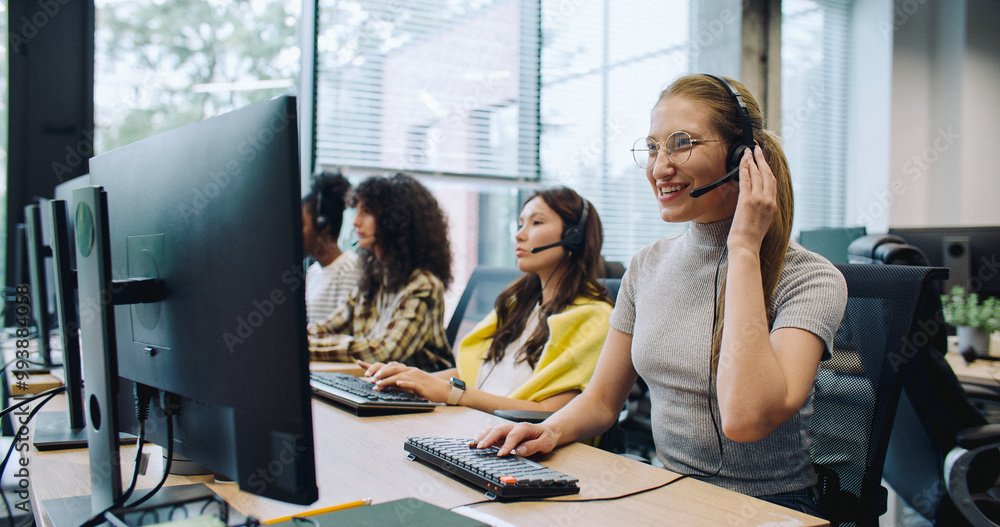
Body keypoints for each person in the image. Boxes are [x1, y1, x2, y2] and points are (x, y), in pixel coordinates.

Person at [475, 74, 848, 518]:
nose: (659, 168)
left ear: (740, 157)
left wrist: (745, 249)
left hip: (767, 508)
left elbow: (745, 419)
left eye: (682, 143)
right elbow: (600, 402)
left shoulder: (809, 278)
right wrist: (551, 431)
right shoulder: (647, 266)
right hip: (666, 493)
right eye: (653, 147)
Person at [360, 187, 614, 414]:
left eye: (536, 223)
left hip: (519, 448)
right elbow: (474, 375)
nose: (519, 235)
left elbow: (547, 413)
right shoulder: (518, 305)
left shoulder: (593, 318)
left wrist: (453, 393)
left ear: (574, 237)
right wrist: (409, 380)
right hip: (474, 426)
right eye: (520, 224)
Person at [308, 173, 453, 371]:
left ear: (396, 221)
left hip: (419, 398)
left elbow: (382, 352)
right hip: (377, 386)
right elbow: (330, 326)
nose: (355, 222)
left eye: (366, 212)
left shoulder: (423, 284)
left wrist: (308, 346)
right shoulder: (375, 278)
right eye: (356, 210)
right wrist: (297, 339)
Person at [302, 170, 361, 326]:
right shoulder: (313, 272)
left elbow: (342, 327)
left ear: (322, 225)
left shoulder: (349, 268)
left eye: (301, 224)